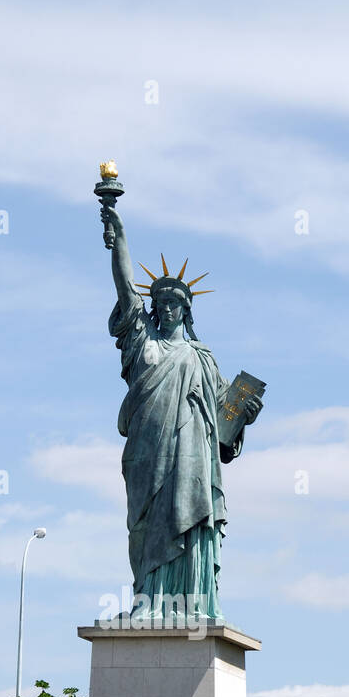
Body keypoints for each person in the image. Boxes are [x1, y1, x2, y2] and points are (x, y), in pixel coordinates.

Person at [102, 204, 262, 623]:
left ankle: (192, 603)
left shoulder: (203, 358)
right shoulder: (142, 344)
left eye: (175, 303)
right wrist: (118, 236)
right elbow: (124, 288)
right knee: (147, 525)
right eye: (161, 302)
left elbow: (225, 423)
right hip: (147, 455)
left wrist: (246, 413)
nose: (168, 308)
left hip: (192, 458)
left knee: (189, 519)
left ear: (187, 310)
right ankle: (148, 601)